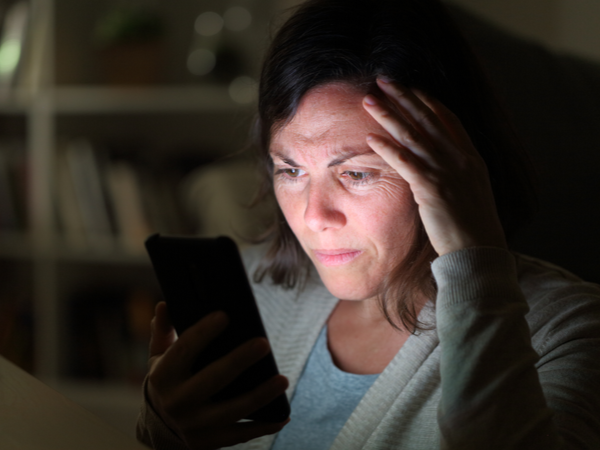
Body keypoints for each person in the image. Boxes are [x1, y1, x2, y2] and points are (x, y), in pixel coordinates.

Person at [137, 0, 600, 449]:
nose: (314, 215)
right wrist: (164, 434)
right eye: (291, 170)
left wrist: (473, 259)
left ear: (458, 166)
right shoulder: (252, 291)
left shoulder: (569, 329)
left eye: (356, 173)